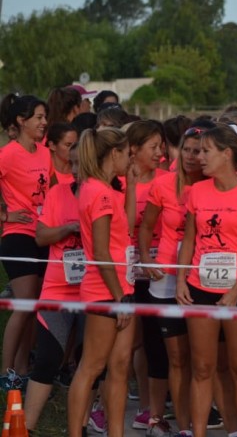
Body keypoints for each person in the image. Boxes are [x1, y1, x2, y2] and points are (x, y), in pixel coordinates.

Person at [175, 125, 237, 437]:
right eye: (198, 151)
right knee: (202, 368)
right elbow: (189, 239)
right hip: (200, 288)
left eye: (206, 151)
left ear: (226, 154)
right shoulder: (197, 191)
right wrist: (180, 281)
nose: (198, 157)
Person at [138, 123, 212, 436]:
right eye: (187, 149)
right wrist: (145, 257)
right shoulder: (163, 185)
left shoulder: (214, 187)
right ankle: (181, 425)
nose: (193, 156)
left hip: (203, 278)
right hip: (166, 278)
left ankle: (202, 421)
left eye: (200, 151)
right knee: (176, 358)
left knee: (203, 361)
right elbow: (145, 227)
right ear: (177, 150)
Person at [66, 127, 136, 437]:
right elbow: (102, 252)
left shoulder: (104, 189)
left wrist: (131, 184)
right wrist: (119, 297)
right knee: (92, 367)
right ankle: (74, 431)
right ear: (114, 153)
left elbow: (126, 232)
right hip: (106, 291)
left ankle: (116, 432)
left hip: (122, 287)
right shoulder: (99, 191)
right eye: (128, 152)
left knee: (120, 367)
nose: (130, 159)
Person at [25, 142, 83, 431]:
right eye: (70, 163)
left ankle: (80, 426)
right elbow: (40, 236)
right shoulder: (58, 192)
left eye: (79, 163)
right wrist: (70, 228)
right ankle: (24, 427)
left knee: (88, 365)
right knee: (47, 359)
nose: (73, 170)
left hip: (94, 292)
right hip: (58, 289)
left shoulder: (110, 195)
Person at [0, 94, 52, 389]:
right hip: (17, 237)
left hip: (42, 235)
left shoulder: (44, 152)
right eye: (39, 118)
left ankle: (21, 367)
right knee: (25, 304)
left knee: (35, 306)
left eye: (45, 117)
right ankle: (5, 371)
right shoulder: (7, 154)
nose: (44, 123)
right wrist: (6, 217)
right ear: (22, 121)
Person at [124, 119, 170, 433]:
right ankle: (102, 403)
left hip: (159, 271)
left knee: (154, 341)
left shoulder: (169, 180)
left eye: (162, 146)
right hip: (127, 269)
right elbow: (123, 227)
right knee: (130, 340)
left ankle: (150, 410)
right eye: (153, 147)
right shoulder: (118, 181)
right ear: (133, 149)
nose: (160, 152)